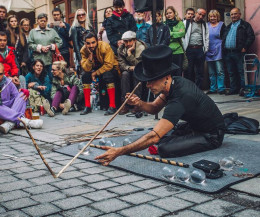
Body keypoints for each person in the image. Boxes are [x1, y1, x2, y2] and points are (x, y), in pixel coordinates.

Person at [95, 45, 225, 165]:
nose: (148, 85)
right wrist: (139, 103)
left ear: (166, 77)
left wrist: (119, 151)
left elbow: (153, 137)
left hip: (211, 135)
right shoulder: (173, 83)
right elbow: (154, 108)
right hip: (193, 127)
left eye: (151, 81)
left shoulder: (180, 97)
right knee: (160, 137)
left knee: (163, 148)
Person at [0, 62, 43, 134]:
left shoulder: (8, 82)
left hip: (9, 110)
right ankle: (24, 121)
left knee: (22, 95)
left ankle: (9, 124)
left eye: (0, 74)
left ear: (4, 73)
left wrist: (25, 92)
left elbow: (17, 100)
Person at [80, 32, 120, 115]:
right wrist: (90, 59)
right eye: (88, 43)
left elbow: (109, 65)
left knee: (107, 75)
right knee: (84, 76)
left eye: (93, 42)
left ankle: (112, 106)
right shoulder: (83, 50)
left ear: (97, 40)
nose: (91, 45)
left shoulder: (105, 46)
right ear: (85, 43)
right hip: (96, 69)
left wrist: (95, 73)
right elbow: (86, 68)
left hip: (111, 69)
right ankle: (87, 106)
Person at [222, 8, 255, 96]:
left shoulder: (245, 25)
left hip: (239, 52)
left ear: (240, 14)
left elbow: (251, 36)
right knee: (231, 72)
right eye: (232, 14)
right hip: (228, 53)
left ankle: (244, 89)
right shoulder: (228, 26)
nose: (233, 16)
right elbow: (223, 38)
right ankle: (234, 89)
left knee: (241, 71)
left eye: (235, 14)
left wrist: (245, 47)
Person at [117, 31, 146, 115]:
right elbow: (121, 63)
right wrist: (129, 68)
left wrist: (129, 54)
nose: (128, 43)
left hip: (140, 70)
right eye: (126, 41)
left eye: (130, 41)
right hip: (128, 69)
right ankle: (125, 103)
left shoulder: (141, 47)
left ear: (135, 40)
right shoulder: (121, 49)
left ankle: (137, 103)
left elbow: (139, 64)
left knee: (136, 74)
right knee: (124, 75)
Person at [28, 13, 62, 80]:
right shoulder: (32, 32)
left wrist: (51, 46)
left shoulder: (52, 31)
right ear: (38, 21)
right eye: (41, 21)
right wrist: (40, 48)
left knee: (51, 78)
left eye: (44, 21)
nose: (43, 22)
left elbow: (60, 42)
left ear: (46, 21)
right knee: (38, 79)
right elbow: (30, 44)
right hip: (37, 61)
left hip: (50, 60)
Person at [182, 8, 209, 89]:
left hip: (200, 49)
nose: (201, 17)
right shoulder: (186, 22)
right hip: (189, 49)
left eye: (203, 16)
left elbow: (207, 37)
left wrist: (205, 49)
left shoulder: (204, 24)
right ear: (196, 13)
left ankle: (198, 89)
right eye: (199, 14)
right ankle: (190, 89)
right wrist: (184, 49)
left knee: (200, 71)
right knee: (188, 71)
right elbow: (183, 36)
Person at [206, 10, 226, 95]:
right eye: (211, 16)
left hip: (219, 50)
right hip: (208, 50)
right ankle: (213, 88)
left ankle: (221, 88)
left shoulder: (222, 25)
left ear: (218, 17)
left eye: (214, 16)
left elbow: (224, 37)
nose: (212, 18)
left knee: (220, 71)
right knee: (211, 72)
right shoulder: (206, 25)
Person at [69, 9, 94, 73]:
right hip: (82, 54)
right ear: (76, 17)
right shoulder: (74, 28)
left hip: (92, 53)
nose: (81, 16)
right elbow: (75, 45)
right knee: (84, 73)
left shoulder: (90, 27)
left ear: (85, 15)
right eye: (79, 15)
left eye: (83, 14)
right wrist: (80, 59)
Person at [164, 6, 185, 76]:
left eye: (170, 13)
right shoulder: (164, 24)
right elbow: (164, 36)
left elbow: (182, 33)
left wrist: (170, 34)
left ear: (174, 13)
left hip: (178, 51)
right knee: (169, 73)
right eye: (167, 13)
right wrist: (176, 33)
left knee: (178, 72)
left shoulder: (180, 23)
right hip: (167, 51)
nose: (168, 15)